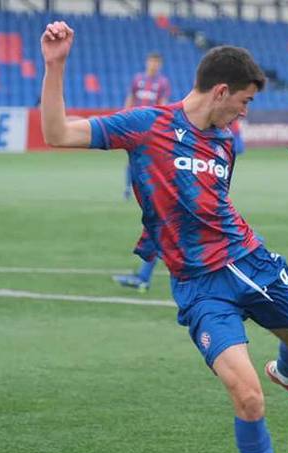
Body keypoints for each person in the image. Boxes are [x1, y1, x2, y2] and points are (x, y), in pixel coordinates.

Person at [40, 21, 288, 453]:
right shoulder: (145, 126)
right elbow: (57, 132)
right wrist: (56, 66)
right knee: (248, 398)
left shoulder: (223, 141)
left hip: (252, 263)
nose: (244, 112)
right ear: (221, 91)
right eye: (243, 101)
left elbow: (210, 203)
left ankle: (287, 375)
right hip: (201, 289)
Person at [112, 52, 171, 291]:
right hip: (140, 134)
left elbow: (164, 107)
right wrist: (124, 119)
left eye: (157, 62)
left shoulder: (162, 84)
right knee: (161, 223)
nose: (153, 65)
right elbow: (129, 100)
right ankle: (144, 276)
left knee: (162, 223)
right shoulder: (138, 80)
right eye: (151, 61)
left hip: (151, 136)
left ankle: (144, 277)